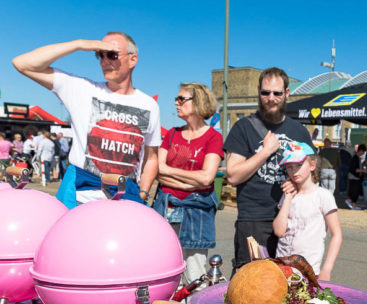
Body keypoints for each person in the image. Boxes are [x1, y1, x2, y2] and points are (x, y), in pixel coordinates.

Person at [12, 31, 160, 208]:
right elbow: (22, 64)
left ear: (132, 60)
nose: (104, 61)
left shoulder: (149, 105)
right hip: (79, 194)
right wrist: (80, 44)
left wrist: (143, 193)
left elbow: (151, 158)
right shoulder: (82, 89)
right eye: (99, 55)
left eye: (112, 55)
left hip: (125, 198)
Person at [223, 67, 314, 275]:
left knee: (293, 287)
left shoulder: (299, 131)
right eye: (265, 93)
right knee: (251, 287)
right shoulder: (243, 128)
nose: (271, 98)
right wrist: (265, 152)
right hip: (254, 221)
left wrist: (297, 184)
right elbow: (233, 175)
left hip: (293, 220)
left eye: (277, 93)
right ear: (258, 92)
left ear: (287, 94)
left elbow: (312, 173)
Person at [152, 83, 223, 284]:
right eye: (177, 99)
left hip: (196, 212)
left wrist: (170, 172)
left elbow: (207, 178)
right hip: (166, 206)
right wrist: (191, 183)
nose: (176, 103)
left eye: (182, 99)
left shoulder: (213, 137)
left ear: (198, 102)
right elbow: (159, 171)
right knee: (165, 269)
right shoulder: (172, 134)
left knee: (195, 275)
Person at [273, 142, 342, 281]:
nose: (294, 171)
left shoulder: (323, 196)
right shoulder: (287, 195)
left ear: (312, 165)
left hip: (309, 271)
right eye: (289, 167)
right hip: (282, 269)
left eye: (299, 165)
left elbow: (337, 235)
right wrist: (287, 198)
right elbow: (279, 231)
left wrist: (327, 269)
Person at [346, 144, 367, 210]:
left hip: (354, 176)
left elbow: (357, 167)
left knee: (355, 191)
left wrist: (364, 164)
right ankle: (350, 201)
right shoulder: (355, 158)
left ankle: (353, 205)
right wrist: (364, 171)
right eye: (363, 152)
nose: (363, 153)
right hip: (354, 176)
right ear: (360, 151)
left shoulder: (357, 158)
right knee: (355, 191)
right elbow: (355, 169)